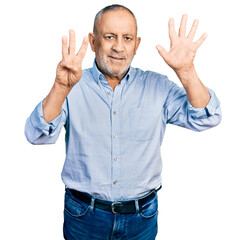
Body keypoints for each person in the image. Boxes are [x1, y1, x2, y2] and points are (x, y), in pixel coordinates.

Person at [24, 4, 222, 240]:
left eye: (127, 38)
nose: (118, 47)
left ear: (136, 45)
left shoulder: (158, 86)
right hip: (84, 216)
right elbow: (36, 135)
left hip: (142, 218)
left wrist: (187, 71)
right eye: (110, 37)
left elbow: (207, 117)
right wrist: (60, 88)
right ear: (94, 41)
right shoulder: (72, 84)